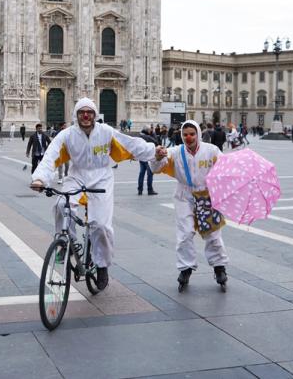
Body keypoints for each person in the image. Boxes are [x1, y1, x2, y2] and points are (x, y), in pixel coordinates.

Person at [30, 97, 163, 290]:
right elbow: (50, 155)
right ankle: (65, 243)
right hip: (77, 175)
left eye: (89, 112)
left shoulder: (105, 131)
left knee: (100, 226)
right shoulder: (67, 134)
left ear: (94, 115)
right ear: (76, 115)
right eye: (82, 112)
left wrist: (153, 151)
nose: (86, 116)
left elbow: (130, 144)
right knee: (60, 205)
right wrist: (40, 178)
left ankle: (102, 266)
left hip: (102, 178)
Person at [151, 120, 229, 290]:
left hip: (207, 195)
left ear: (198, 134)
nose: (188, 137)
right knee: (185, 233)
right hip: (184, 195)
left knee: (213, 234)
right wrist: (157, 157)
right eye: (185, 134)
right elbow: (156, 168)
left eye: (192, 134)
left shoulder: (211, 150)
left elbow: (225, 168)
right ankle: (185, 268)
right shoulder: (175, 152)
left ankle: (219, 267)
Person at [137, 126, 159, 195]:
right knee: (150, 174)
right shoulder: (148, 137)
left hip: (141, 158)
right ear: (147, 131)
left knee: (141, 174)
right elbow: (156, 142)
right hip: (148, 158)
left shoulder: (139, 136)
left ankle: (140, 190)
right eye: (150, 130)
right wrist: (153, 134)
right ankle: (150, 190)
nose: (151, 131)